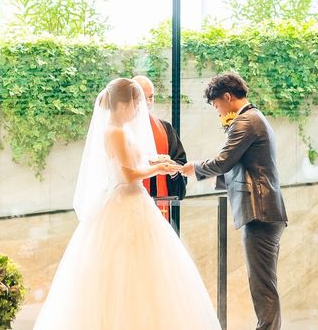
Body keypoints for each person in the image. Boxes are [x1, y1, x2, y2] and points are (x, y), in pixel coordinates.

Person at [34, 78, 221, 330]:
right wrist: (157, 170)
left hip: (134, 199)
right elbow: (128, 175)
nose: (139, 110)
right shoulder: (116, 132)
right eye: (137, 104)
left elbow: (132, 162)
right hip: (127, 198)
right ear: (124, 105)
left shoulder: (119, 129)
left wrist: (157, 162)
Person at [181, 73, 288, 330]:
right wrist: (216, 179)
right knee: (264, 283)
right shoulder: (254, 118)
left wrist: (194, 168)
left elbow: (223, 161)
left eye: (216, 104)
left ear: (227, 97)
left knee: (262, 287)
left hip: (260, 212)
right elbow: (247, 166)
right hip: (265, 211)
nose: (217, 110)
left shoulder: (246, 121)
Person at [132, 76, 187, 218]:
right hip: (130, 201)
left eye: (151, 97)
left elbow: (180, 163)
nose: (148, 102)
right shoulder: (122, 131)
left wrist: (171, 168)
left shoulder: (165, 128)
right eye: (143, 98)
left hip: (160, 205)